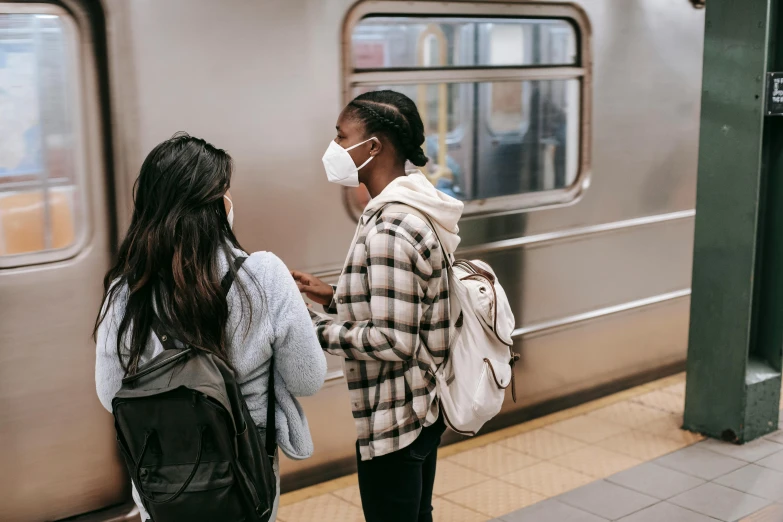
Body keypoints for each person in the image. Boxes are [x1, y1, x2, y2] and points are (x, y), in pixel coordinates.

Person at [94, 133, 326, 521]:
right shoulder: (263, 274)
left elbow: (110, 395)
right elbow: (308, 379)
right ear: (217, 202)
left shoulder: (125, 291)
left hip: (162, 482)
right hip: (245, 473)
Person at [292, 91, 464, 522]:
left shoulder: (390, 226)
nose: (334, 148)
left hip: (395, 420)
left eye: (341, 136)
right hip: (420, 409)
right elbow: (408, 304)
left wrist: (308, 327)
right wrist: (333, 296)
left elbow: (395, 339)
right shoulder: (414, 209)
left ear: (372, 147)